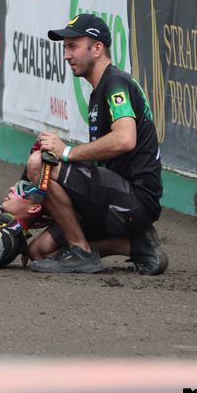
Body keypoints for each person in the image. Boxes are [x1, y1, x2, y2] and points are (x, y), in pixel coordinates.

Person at [24, 14, 166, 276]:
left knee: (39, 164)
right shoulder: (99, 91)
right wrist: (55, 202)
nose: (67, 55)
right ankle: (134, 245)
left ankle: (82, 251)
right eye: (66, 47)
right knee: (39, 251)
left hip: (134, 200)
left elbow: (125, 138)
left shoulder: (115, 84)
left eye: (72, 46)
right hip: (113, 197)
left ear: (97, 48)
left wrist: (66, 152)